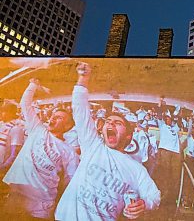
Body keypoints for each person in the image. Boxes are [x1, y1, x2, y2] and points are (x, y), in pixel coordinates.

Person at [55, 63, 160, 221]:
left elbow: (154, 195)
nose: (110, 124)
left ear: (128, 137)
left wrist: (144, 204)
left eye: (117, 123)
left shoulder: (137, 169)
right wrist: (83, 78)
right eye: (108, 121)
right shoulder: (93, 146)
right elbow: (80, 110)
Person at [3, 79, 79, 219]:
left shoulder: (69, 152)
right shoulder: (37, 129)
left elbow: (69, 181)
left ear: (68, 126)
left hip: (41, 205)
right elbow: (25, 104)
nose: (52, 119)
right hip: (16, 195)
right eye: (52, 116)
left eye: (59, 118)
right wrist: (32, 85)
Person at [153, 105, 183, 217]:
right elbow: (159, 115)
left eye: (169, 119)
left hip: (175, 153)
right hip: (165, 151)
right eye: (167, 119)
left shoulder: (175, 128)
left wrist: (180, 111)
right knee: (165, 175)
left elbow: (178, 121)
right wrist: (161, 104)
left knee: (175, 177)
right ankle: (163, 198)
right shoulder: (162, 126)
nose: (168, 120)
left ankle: (172, 199)